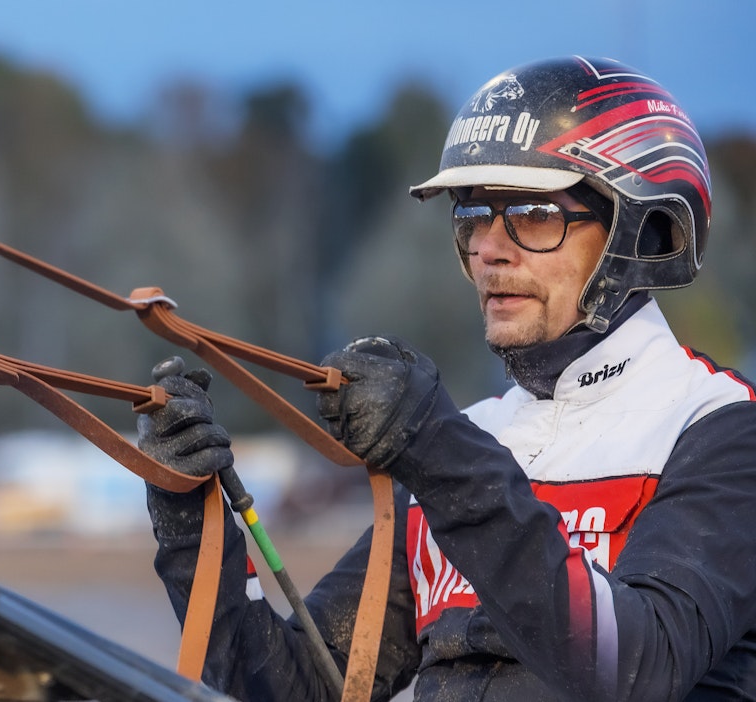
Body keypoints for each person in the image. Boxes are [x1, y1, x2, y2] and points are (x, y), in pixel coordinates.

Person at [137, 55, 756, 701]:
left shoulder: (723, 432)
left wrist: (437, 453)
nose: (490, 247)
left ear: (646, 229)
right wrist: (193, 526)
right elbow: (303, 688)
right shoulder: (473, 439)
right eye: (472, 217)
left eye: (536, 214)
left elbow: (632, 668)